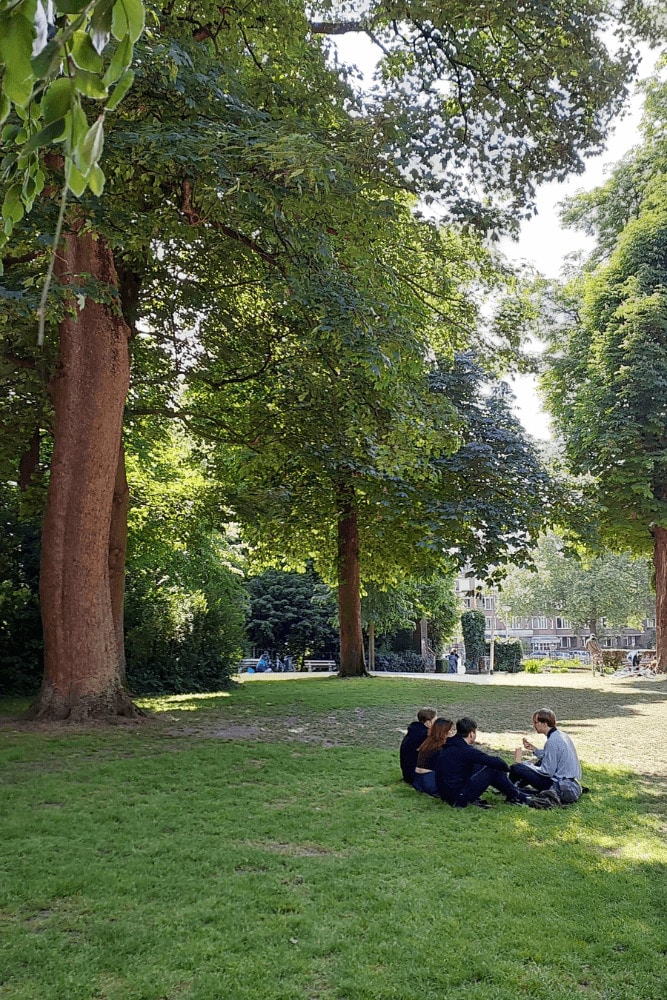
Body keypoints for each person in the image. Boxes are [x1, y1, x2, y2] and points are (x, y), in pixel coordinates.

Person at [435, 717, 534, 808]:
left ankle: (514, 793)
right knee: (493, 768)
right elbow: (496, 761)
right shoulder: (466, 750)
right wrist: (508, 769)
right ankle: (517, 795)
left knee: (483, 765)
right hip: (458, 797)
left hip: (446, 793)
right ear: (471, 733)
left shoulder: (450, 744)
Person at [510, 708, 582, 804]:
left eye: (535, 722)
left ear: (544, 724)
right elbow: (551, 756)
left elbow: (547, 771)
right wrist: (534, 749)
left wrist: (527, 765)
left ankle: (509, 788)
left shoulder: (552, 741)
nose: (534, 725)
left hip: (559, 785)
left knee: (517, 768)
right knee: (535, 764)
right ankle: (515, 787)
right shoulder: (561, 735)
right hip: (570, 783)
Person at [413, 718, 454, 795]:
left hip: (418, 780)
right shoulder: (441, 747)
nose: (452, 732)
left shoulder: (428, 743)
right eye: (450, 730)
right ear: (444, 732)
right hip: (430, 781)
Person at [399, 707, 437, 784]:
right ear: (428, 723)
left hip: (407, 773)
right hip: (416, 776)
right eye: (435, 721)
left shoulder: (414, 731)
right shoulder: (425, 735)